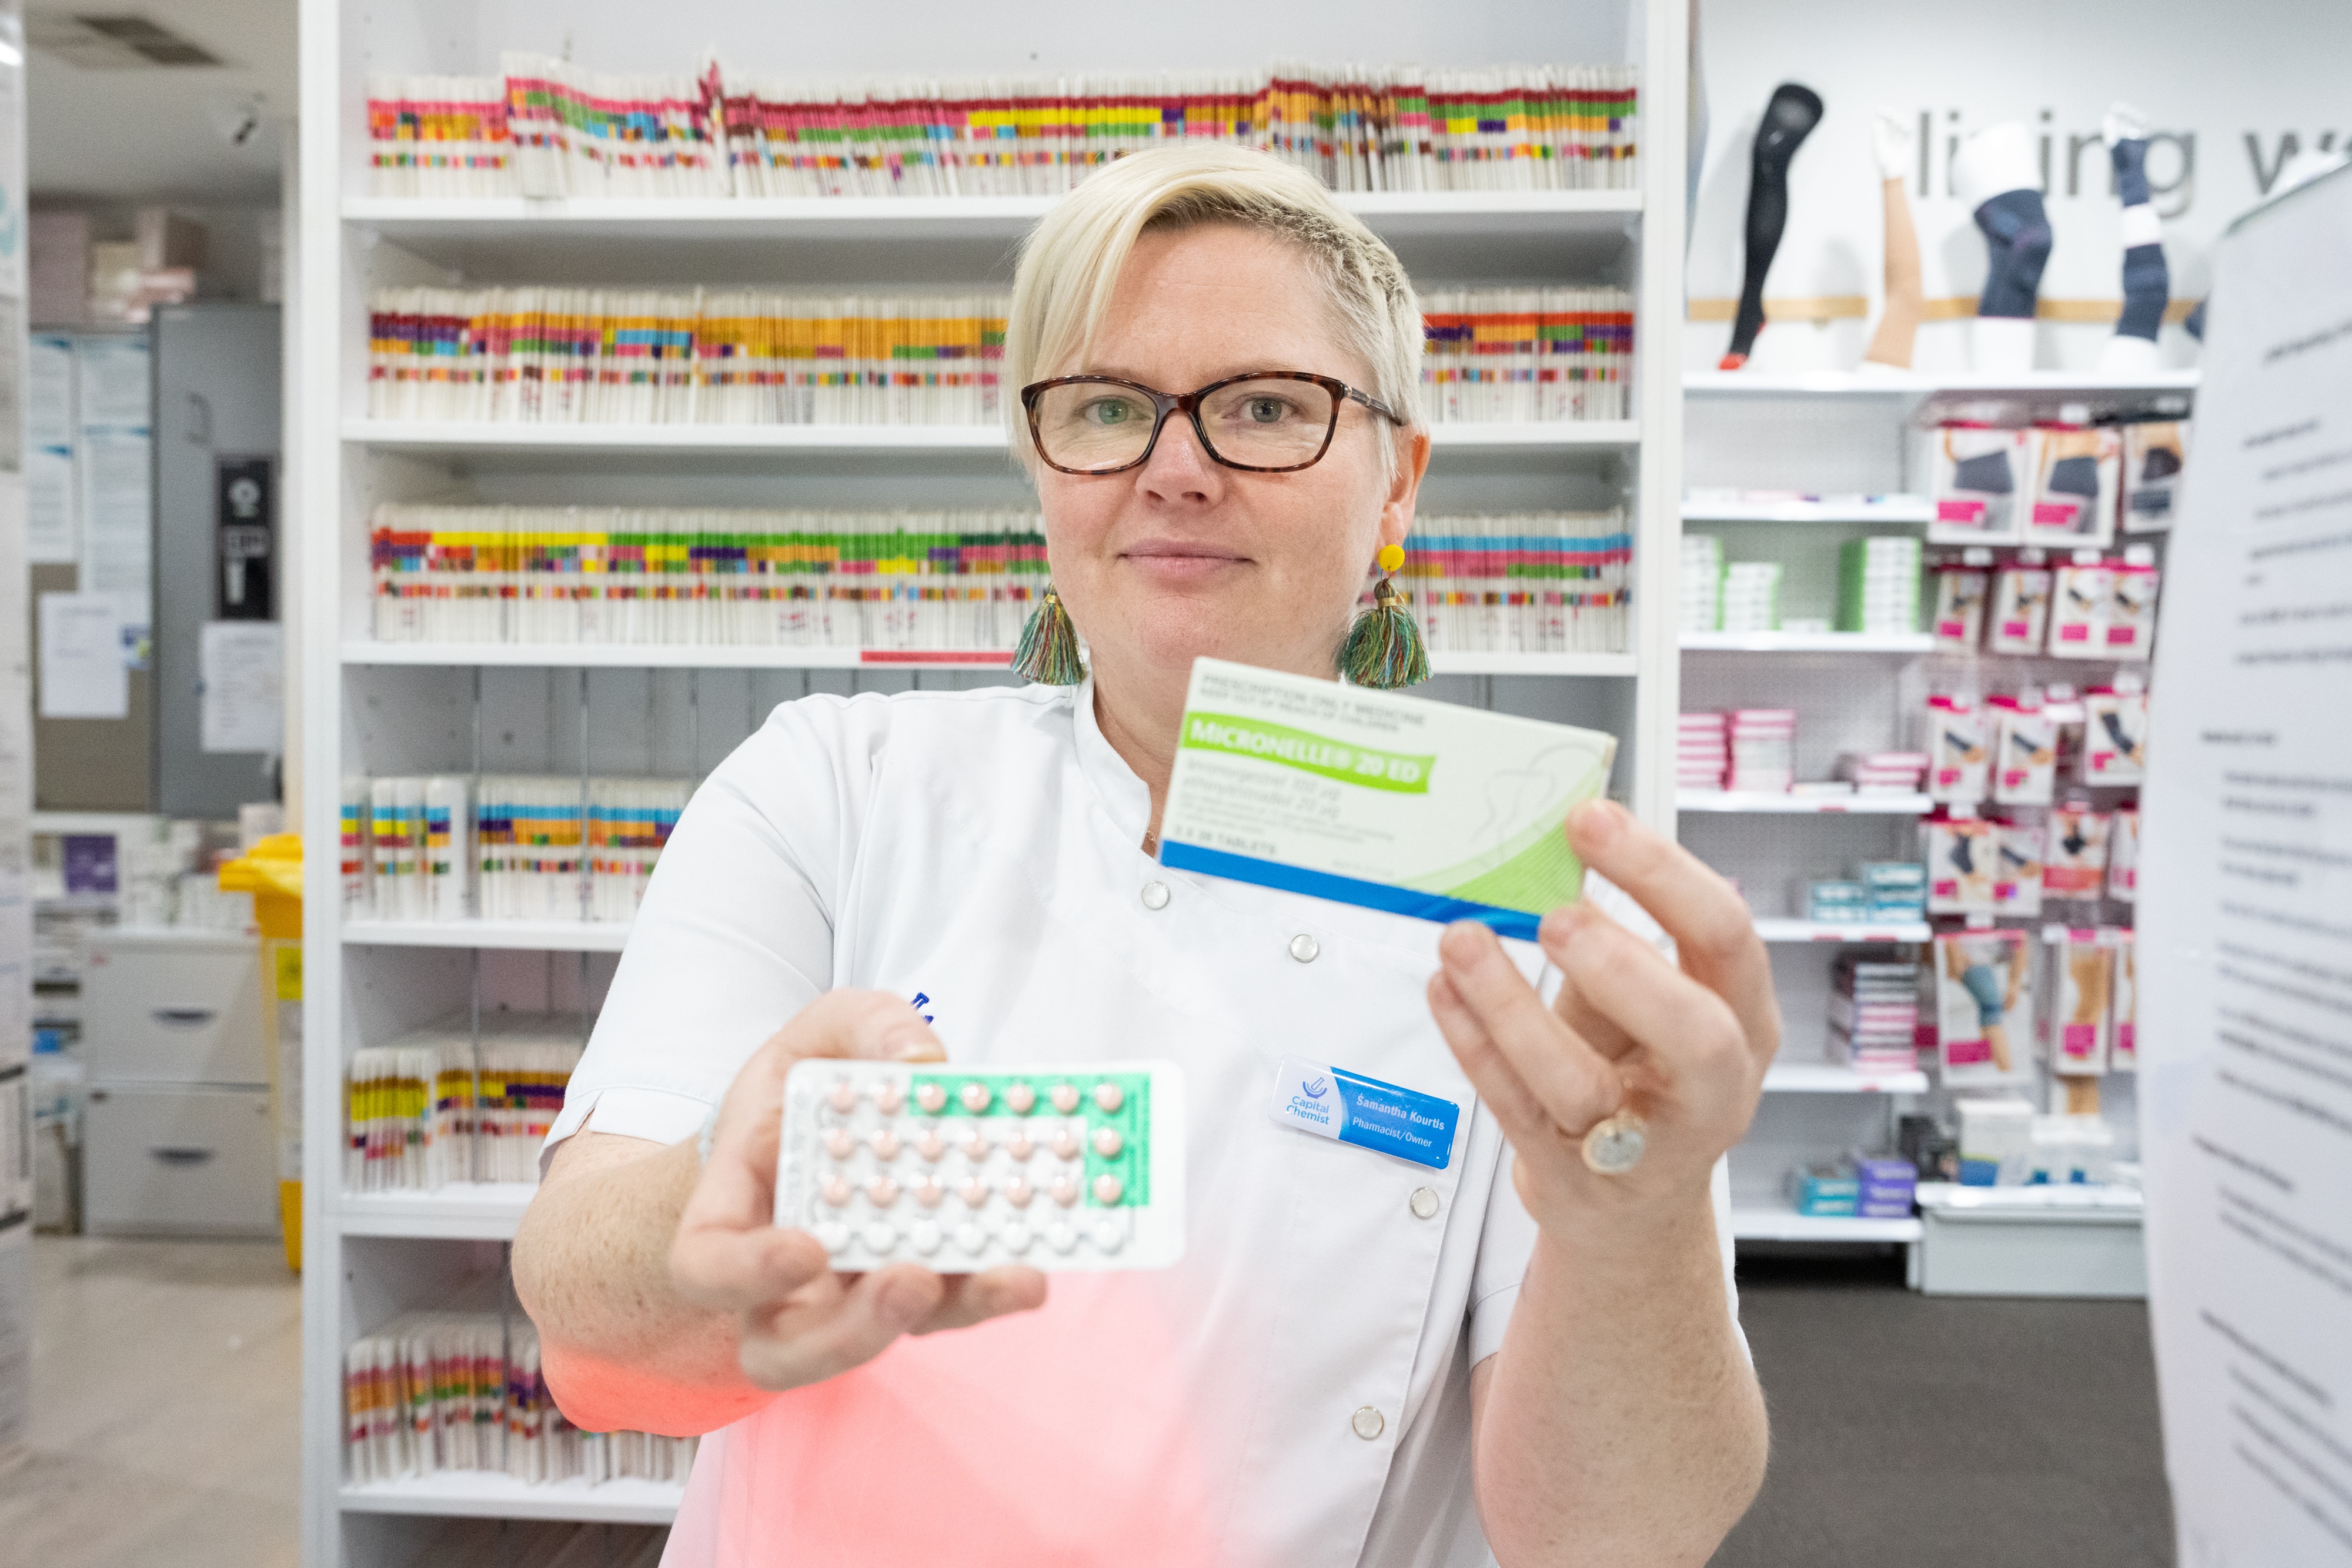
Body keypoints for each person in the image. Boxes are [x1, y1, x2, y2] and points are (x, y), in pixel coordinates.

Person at [511, 143, 1775, 1567]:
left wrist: (1635, 1226)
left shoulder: (1556, 918)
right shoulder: (833, 788)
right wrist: (732, 1188)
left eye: (1264, 407)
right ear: (1043, 468)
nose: (1176, 469)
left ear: (1397, 482)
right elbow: (587, 1334)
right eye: (1109, 407)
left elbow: (1614, 1542)